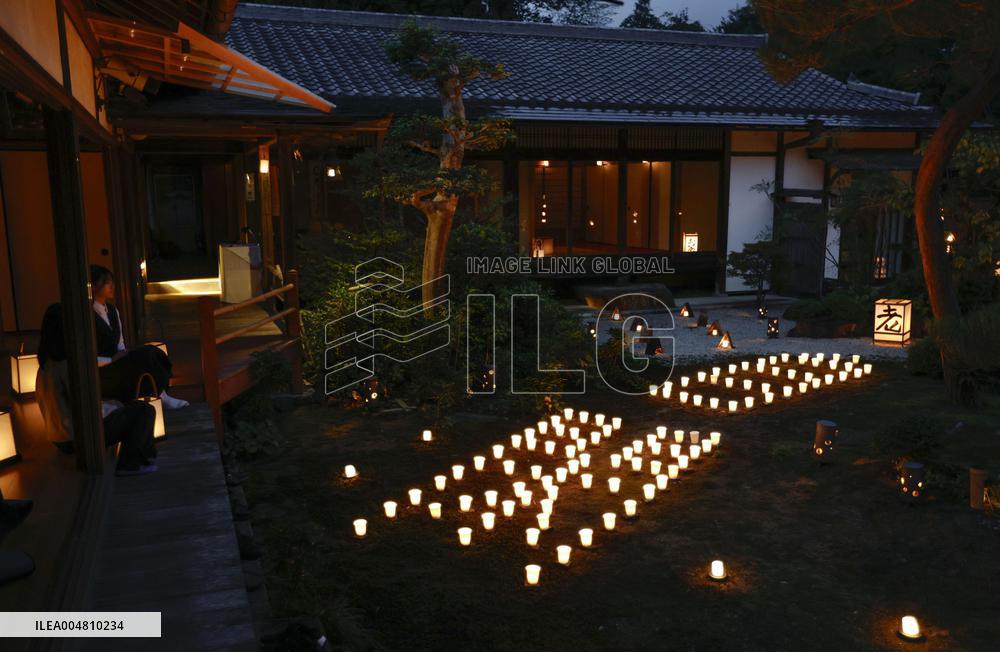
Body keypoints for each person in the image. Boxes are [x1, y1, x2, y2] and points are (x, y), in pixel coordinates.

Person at [35, 303, 159, 476]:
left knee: (130, 407)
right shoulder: (67, 366)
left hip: (59, 437)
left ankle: (144, 457)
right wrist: (116, 406)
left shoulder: (45, 364)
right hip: (77, 438)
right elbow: (87, 409)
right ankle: (129, 463)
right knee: (144, 410)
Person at [90, 265, 187, 409]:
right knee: (145, 357)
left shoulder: (112, 310)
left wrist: (123, 354)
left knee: (152, 352)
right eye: (106, 282)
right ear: (94, 286)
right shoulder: (88, 315)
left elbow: (120, 342)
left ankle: (162, 393)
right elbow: (86, 357)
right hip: (103, 371)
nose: (111, 286)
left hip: (117, 361)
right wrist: (111, 360)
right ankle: (159, 395)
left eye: (111, 282)